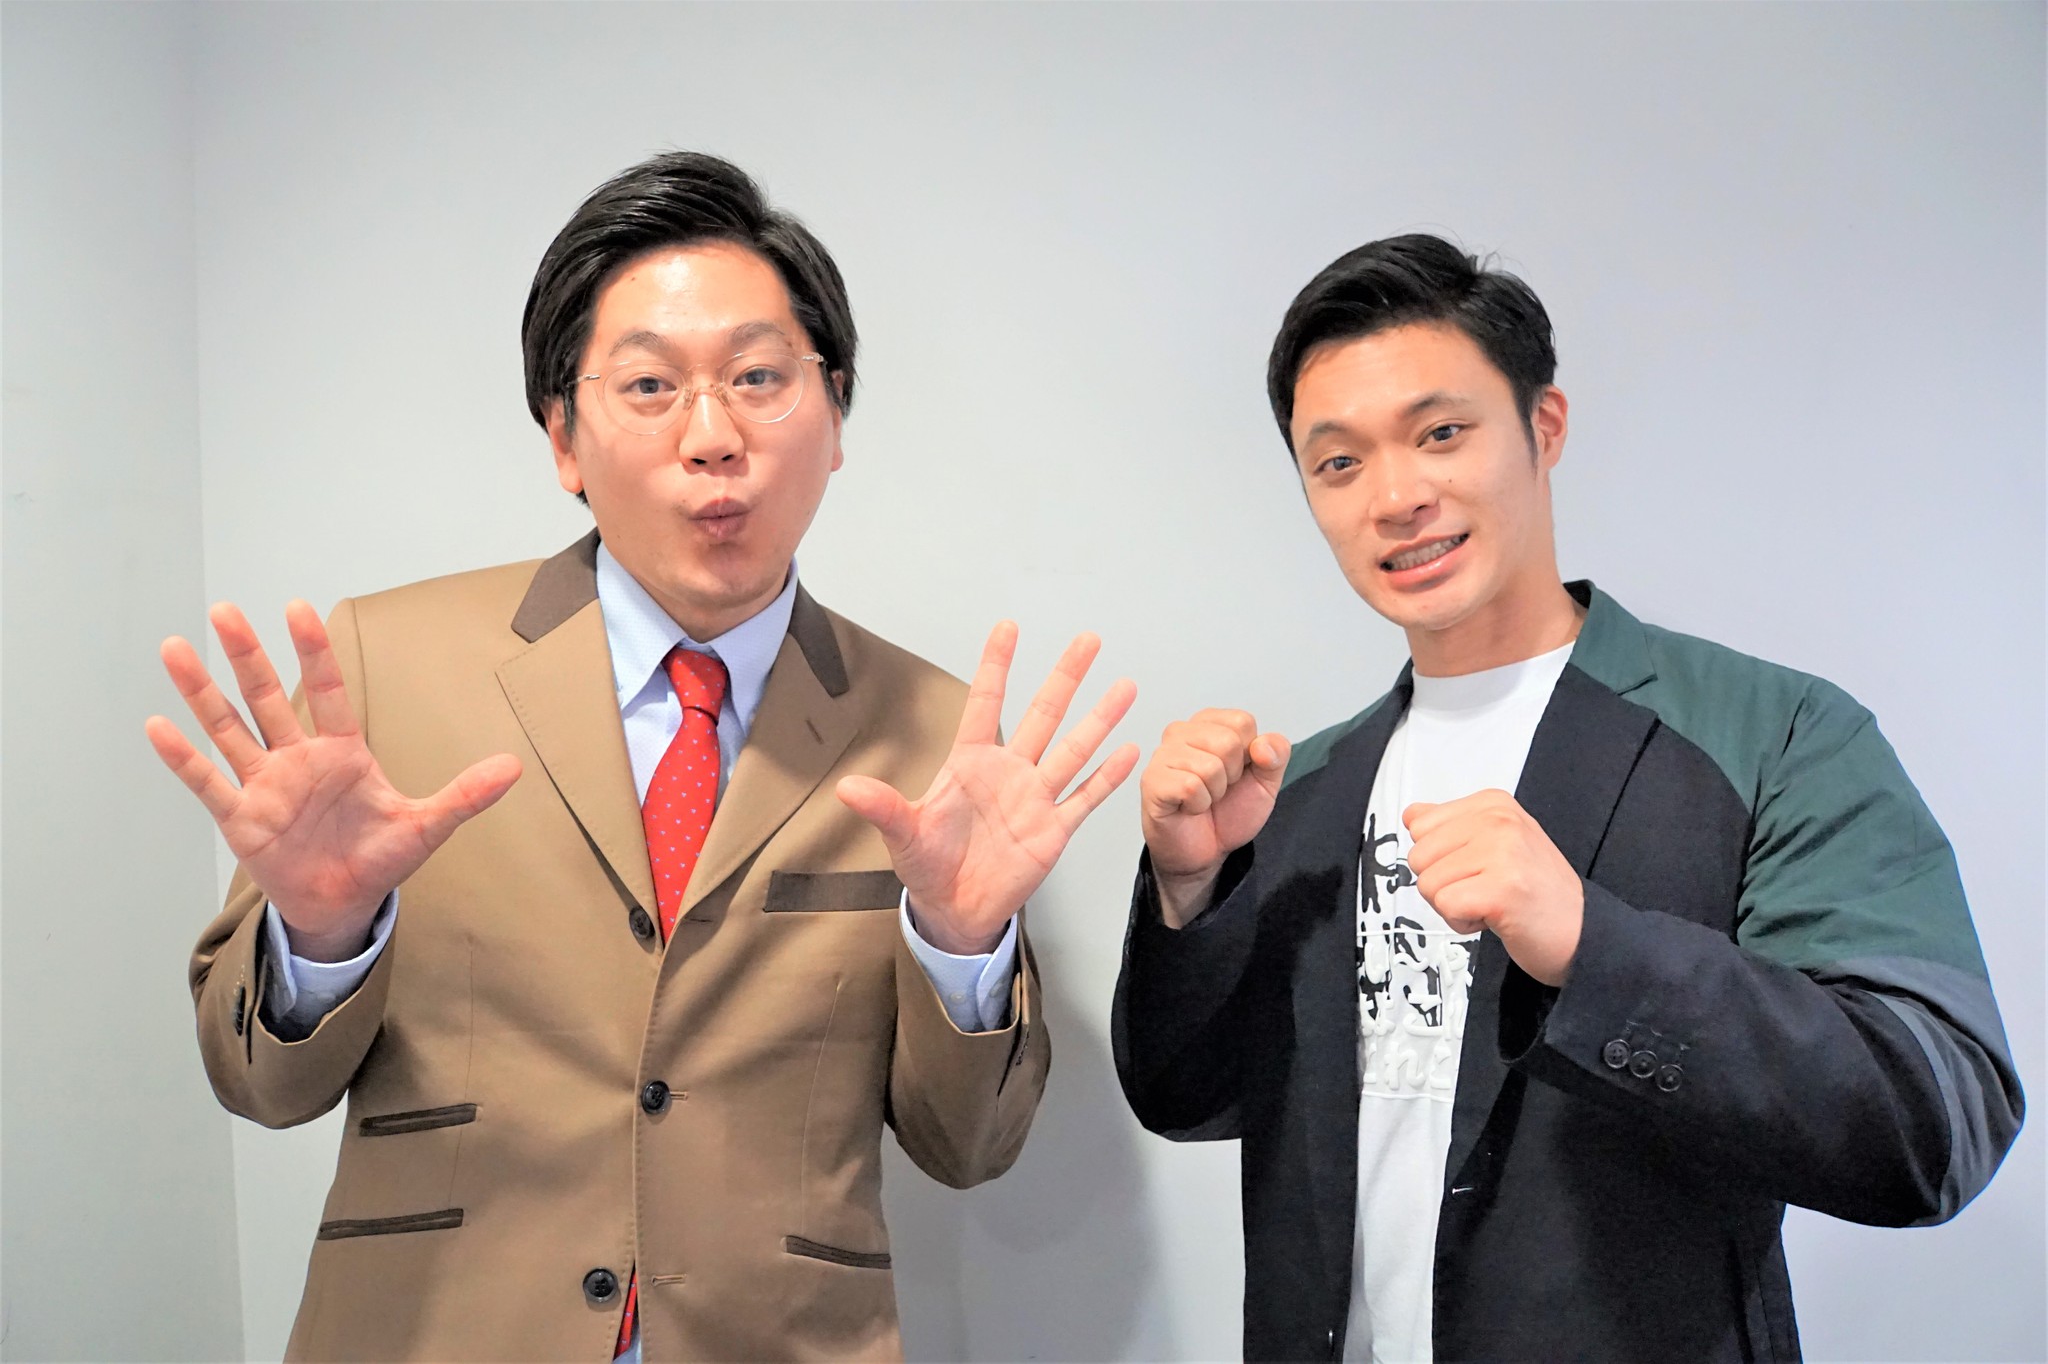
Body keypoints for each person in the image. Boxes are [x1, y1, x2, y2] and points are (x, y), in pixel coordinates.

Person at [150, 151, 1138, 1362]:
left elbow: (966, 1148)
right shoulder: (380, 673)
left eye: (759, 378)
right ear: (563, 438)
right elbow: (260, 1086)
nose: (712, 437)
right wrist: (319, 938)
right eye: (650, 386)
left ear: (834, 417)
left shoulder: (935, 737)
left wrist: (962, 944)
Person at [1112, 234, 2023, 1362]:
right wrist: (1189, 890)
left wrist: (1593, 946)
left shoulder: (1775, 733)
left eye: (1440, 433)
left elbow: (1933, 1122)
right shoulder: (1300, 786)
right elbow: (1184, 1095)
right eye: (1337, 462)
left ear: (1543, 427)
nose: (1396, 496)